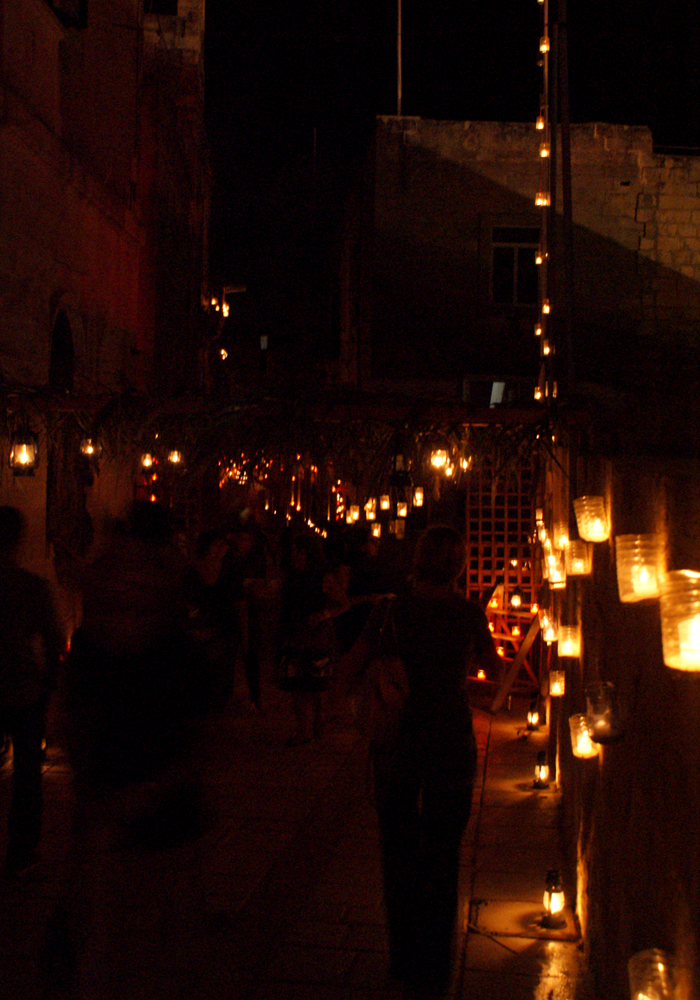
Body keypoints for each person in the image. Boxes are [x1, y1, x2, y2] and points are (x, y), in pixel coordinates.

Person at [336, 524, 500, 995]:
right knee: (442, 854)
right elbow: (494, 669)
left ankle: (404, 958)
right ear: (459, 567)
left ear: (417, 561)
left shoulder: (390, 610)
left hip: (398, 742)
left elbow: (350, 668)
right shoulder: (468, 614)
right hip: (449, 740)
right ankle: (435, 966)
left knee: (399, 850)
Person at [0, 506, 63, 877]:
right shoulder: (29, 585)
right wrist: (50, 685)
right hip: (22, 687)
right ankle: (20, 852)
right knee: (26, 775)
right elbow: (54, 638)